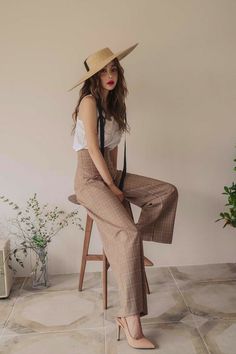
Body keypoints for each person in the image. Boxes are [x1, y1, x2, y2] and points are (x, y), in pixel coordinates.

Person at [69, 43, 178, 350]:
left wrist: (118, 181)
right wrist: (113, 188)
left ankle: (134, 245)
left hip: (110, 172)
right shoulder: (89, 102)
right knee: (126, 233)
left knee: (166, 192)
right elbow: (92, 148)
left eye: (113, 68)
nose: (110, 74)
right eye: (103, 70)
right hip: (90, 179)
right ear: (93, 77)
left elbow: (113, 152)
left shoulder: (116, 105)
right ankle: (130, 320)